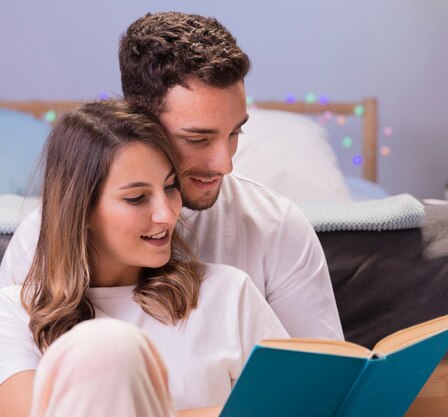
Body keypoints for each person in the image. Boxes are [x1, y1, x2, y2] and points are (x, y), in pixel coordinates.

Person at [0, 12, 344, 340]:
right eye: (198, 139)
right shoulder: (43, 240)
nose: (225, 164)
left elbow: (325, 380)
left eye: (234, 134)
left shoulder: (274, 229)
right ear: (140, 123)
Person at [0, 100, 288, 417]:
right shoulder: (15, 312)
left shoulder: (229, 292)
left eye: (170, 187)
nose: (167, 215)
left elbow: (298, 409)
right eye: (137, 198)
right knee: (108, 345)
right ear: (80, 209)